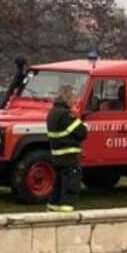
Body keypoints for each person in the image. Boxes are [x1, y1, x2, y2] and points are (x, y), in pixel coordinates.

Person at [46, 84, 87, 212]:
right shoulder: (66, 115)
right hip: (69, 156)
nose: (74, 101)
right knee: (70, 185)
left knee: (58, 184)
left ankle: (53, 207)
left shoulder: (52, 113)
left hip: (57, 155)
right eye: (72, 98)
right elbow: (82, 132)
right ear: (66, 98)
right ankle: (67, 211)